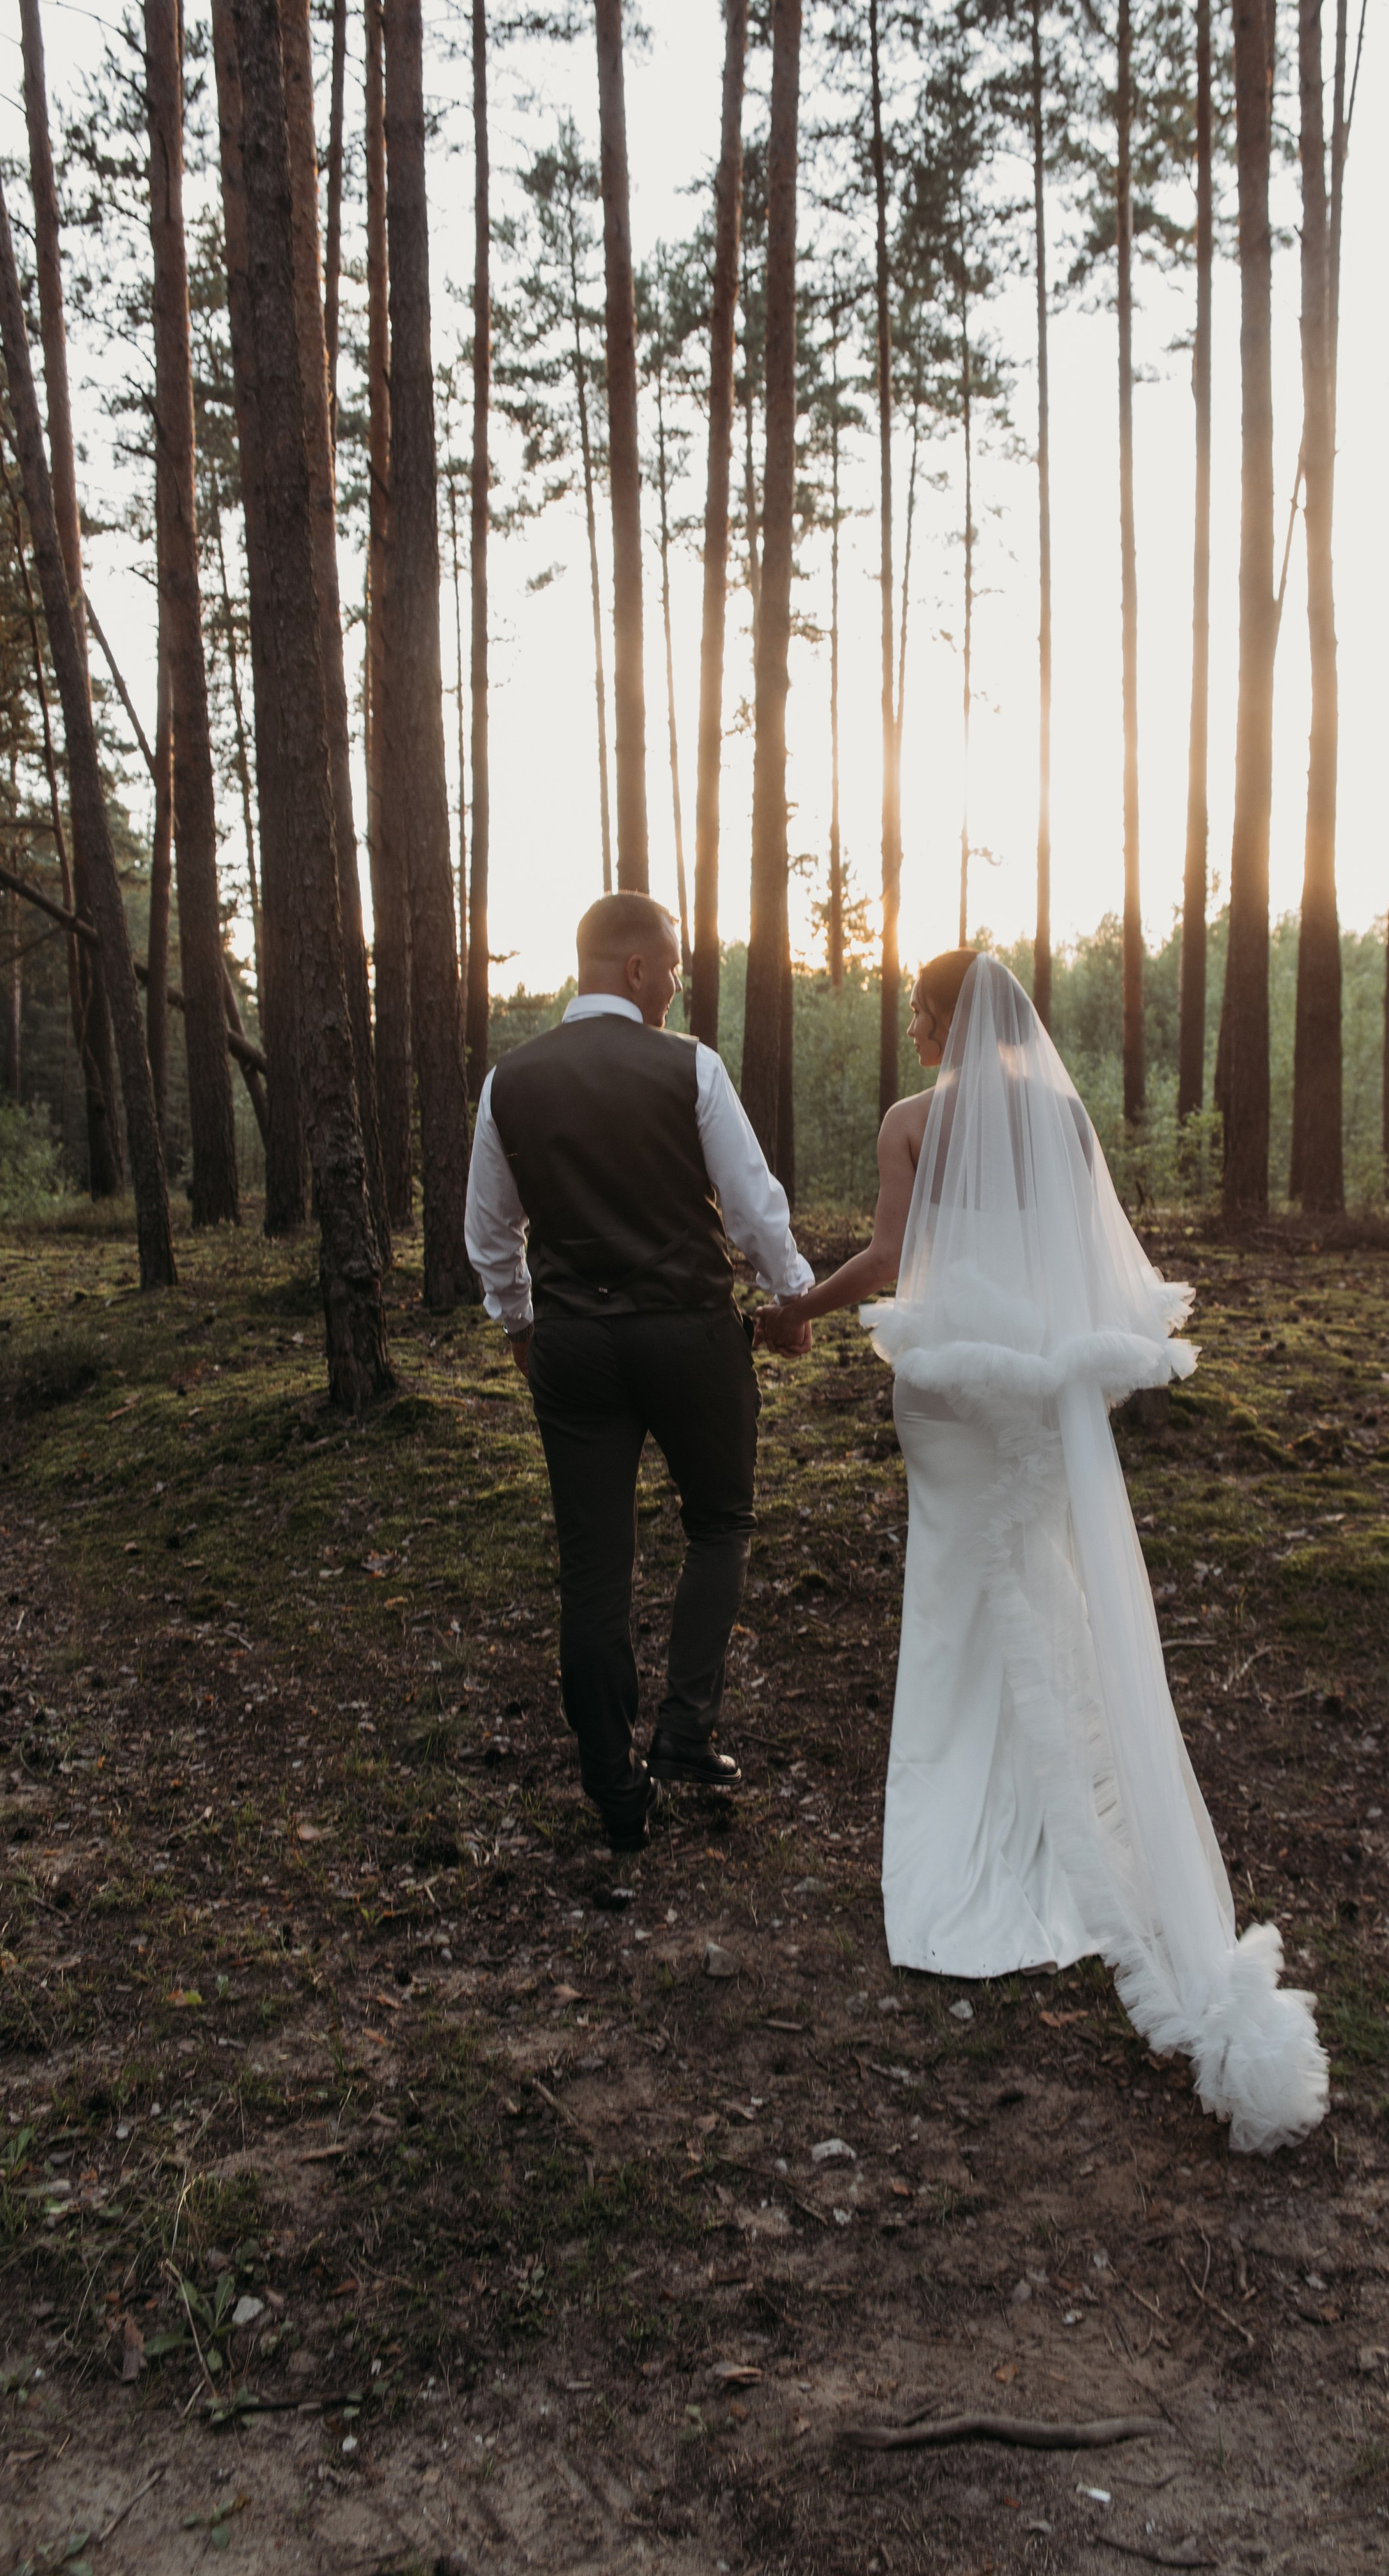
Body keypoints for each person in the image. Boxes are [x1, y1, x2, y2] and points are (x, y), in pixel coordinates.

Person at [760, 951, 1329, 2154]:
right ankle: (1049, 1810)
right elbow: (1085, 1263)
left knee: (958, 1594)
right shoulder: (1063, 1121)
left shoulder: (914, 1121)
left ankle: (974, 1821)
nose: (917, 1033)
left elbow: (890, 1263)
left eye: (921, 1015)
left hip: (950, 1388)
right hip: (1036, 1388)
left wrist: (795, 1309)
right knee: (1046, 1583)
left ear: (940, 1021)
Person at [465, 893, 813, 1851]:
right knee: (720, 1521)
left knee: (593, 1567)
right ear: (634, 969)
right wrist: (791, 1298)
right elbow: (753, 1206)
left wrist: (522, 1325)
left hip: (575, 1345)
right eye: (671, 968)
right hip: (688, 1335)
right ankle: (687, 1732)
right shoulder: (690, 1066)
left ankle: (614, 1785)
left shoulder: (509, 1081)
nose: (676, 984)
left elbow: (489, 1232)